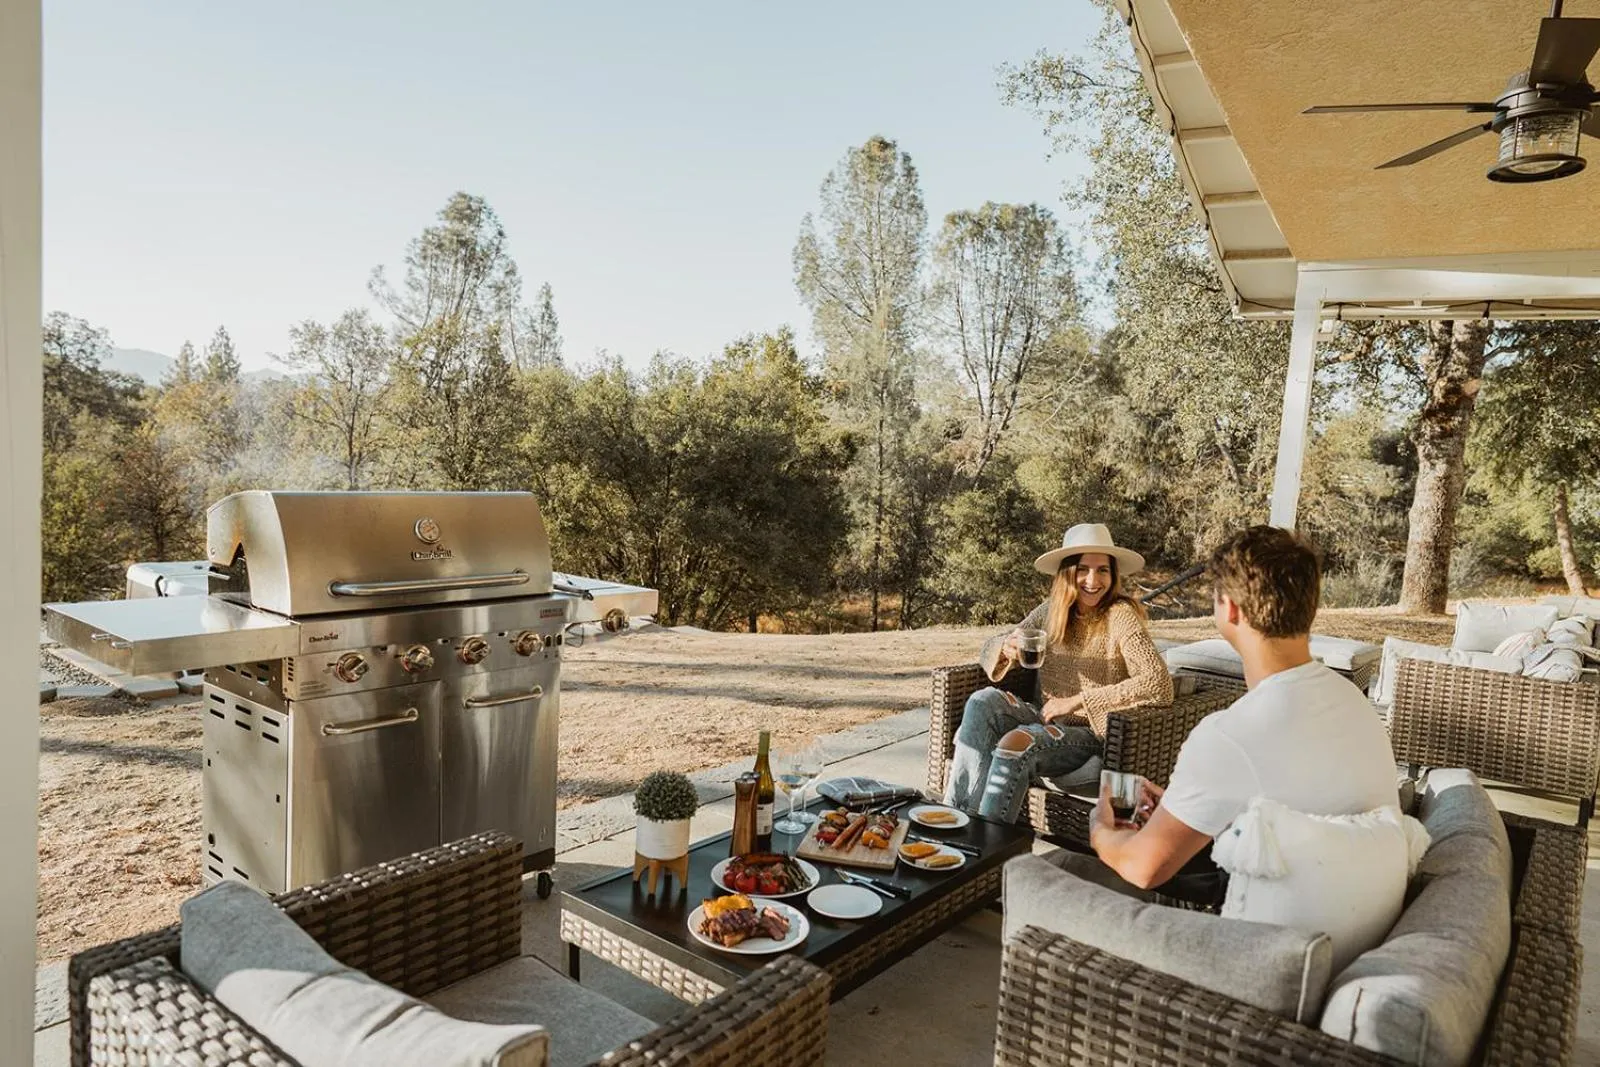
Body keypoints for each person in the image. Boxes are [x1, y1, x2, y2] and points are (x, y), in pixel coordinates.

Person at [1089, 524, 1400, 909]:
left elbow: (1142, 868)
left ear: (1229, 609)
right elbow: (1303, 802)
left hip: (1262, 948)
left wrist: (1100, 828)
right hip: (1349, 918)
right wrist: (1185, 804)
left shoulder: (1230, 735)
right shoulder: (1351, 700)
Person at [944, 523, 1173, 822]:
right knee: (981, 701)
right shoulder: (1050, 611)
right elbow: (994, 645)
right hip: (1043, 716)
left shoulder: (1120, 616)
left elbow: (1159, 683)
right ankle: (954, 820)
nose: (1093, 580)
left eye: (1103, 570)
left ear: (1113, 575)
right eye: (1083, 569)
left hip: (1090, 733)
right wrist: (1005, 646)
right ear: (1067, 573)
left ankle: (988, 846)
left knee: (1019, 740)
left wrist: (1077, 701)